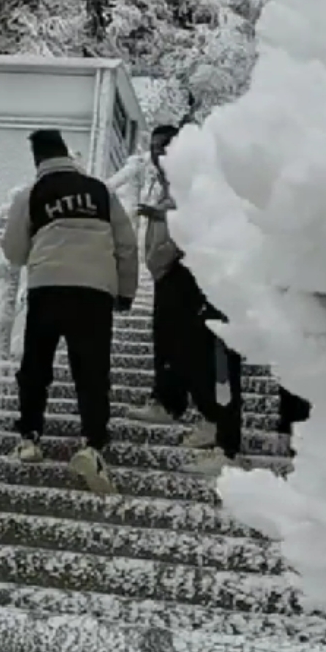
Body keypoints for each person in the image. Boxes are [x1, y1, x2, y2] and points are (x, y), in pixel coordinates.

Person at [2, 127, 138, 496]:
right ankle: (93, 443)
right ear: (67, 154)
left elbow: (13, 252)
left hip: (47, 287)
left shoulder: (30, 195)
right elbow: (126, 245)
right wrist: (126, 292)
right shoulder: (101, 192)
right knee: (92, 369)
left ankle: (29, 437)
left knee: (36, 366)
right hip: (94, 292)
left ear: (37, 160)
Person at [134, 123, 243, 478]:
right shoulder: (175, 184)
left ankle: (225, 440)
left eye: (165, 146)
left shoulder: (204, 182)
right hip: (179, 273)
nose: (157, 153)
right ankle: (208, 420)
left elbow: (204, 220)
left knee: (214, 359)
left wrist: (166, 224)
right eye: (153, 147)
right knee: (188, 351)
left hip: (202, 276)